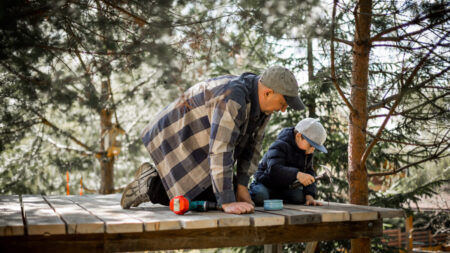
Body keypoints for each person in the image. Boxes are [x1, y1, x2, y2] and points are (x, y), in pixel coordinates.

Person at [120, 66, 306, 214]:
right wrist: (226, 201)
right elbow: (221, 148)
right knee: (202, 197)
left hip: (201, 140)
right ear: (268, 93)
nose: (283, 110)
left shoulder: (264, 108)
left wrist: (241, 186)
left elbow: (253, 148)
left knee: (231, 192)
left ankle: (157, 183)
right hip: (174, 134)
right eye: (283, 103)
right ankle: (149, 185)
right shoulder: (234, 97)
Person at [249, 118, 327, 207]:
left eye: (315, 148)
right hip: (265, 183)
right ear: (298, 136)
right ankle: (253, 194)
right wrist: (297, 174)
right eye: (311, 145)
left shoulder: (307, 152)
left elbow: (309, 173)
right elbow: (274, 169)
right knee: (260, 196)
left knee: (300, 197)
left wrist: (309, 196)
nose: (312, 150)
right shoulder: (279, 145)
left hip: (284, 187)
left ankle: (272, 199)